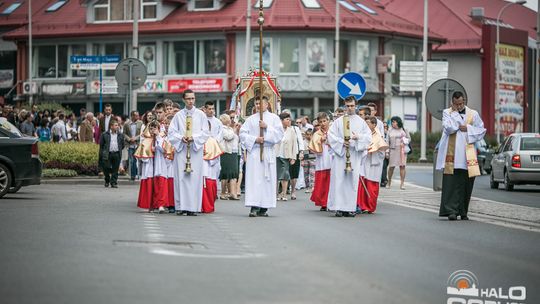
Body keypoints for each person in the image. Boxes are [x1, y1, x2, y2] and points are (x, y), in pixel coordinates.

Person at [436, 92, 486, 221]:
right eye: (456, 104)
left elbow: (481, 130)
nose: (459, 106)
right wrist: (457, 118)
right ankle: (451, 211)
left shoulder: (473, 113)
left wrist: (468, 128)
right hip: (452, 155)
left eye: (461, 103)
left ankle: (463, 211)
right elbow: (448, 128)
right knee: (451, 183)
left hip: (468, 154)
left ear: (464, 101)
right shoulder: (447, 112)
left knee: (466, 183)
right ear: (452, 102)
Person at [240, 96, 284, 217]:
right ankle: (254, 206)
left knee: (266, 180)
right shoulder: (250, 119)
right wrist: (255, 139)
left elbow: (280, 134)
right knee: (255, 179)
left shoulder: (274, 118)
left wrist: (267, 127)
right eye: (257, 103)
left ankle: (264, 207)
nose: (258, 105)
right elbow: (242, 134)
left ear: (267, 104)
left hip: (268, 151)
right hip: (255, 152)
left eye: (261, 103)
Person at [327, 96, 371, 217]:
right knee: (339, 181)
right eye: (348, 106)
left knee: (352, 182)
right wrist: (342, 142)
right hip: (341, 156)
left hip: (354, 155)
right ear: (344, 106)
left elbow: (368, 137)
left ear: (355, 106)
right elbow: (331, 136)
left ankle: (350, 207)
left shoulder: (361, 122)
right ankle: (338, 207)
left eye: (352, 106)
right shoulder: (338, 121)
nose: (350, 108)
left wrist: (358, 139)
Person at [168, 89, 209, 216]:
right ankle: (181, 206)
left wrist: (194, 138)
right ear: (183, 100)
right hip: (182, 150)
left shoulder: (201, 115)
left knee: (194, 179)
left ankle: (193, 207)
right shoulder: (178, 115)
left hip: (195, 151)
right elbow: (171, 132)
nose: (191, 101)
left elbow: (206, 132)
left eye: (193, 98)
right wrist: (181, 137)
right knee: (181, 178)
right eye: (188, 99)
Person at [357, 116, 388, 214]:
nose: (366, 125)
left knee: (371, 186)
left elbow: (382, 153)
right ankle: (362, 205)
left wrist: (371, 152)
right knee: (364, 185)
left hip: (373, 164)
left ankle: (370, 206)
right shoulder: (365, 135)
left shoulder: (378, 137)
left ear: (374, 125)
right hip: (365, 163)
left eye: (368, 123)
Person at [201, 101, 223, 213]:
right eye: (209, 108)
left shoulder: (218, 122)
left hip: (214, 149)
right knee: (204, 178)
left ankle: (212, 199)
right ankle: (204, 203)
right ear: (205, 109)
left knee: (214, 175)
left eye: (213, 109)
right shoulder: (201, 120)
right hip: (203, 149)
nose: (211, 111)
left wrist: (213, 142)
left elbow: (220, 135)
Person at [309, 112, 332, 211]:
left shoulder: (333, 131)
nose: (323, 123)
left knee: (332, 182)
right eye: (321, 122)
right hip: (322, 160)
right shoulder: (316, 134)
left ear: (328, 121)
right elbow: (313, 148)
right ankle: (323, 203)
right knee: (323, 183)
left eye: (324, 121)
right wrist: (320, 141)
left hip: (332, 159)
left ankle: (331, 202)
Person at [276, 112, 298, 201]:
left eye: (289, 119)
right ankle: (276, 194)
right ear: (281, 120)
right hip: (276, 155)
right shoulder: (277, 130)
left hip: (286, 155)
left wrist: (293, 157)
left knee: (285, 175)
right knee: (276, 175)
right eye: (287, 119)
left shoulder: (291, 131)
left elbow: (294, 144)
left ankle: (284, 194)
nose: (289, 121)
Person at [219, 114, 240, 200]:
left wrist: (235, 131)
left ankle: (232, 193)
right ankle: (223, 192)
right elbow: (229, 137)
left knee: (233, 173)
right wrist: (234, 130)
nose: (230, 120)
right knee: (226, 173)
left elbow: (236, 139)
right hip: (227, 152)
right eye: (228, 118)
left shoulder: (230, 129)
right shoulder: (222, 129)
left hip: (233, 152)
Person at [387, 116, 410, 190]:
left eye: (393, 122)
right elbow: (387, 141)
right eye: (392, 122)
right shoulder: (390, 130)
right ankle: (389, 182)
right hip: (393, 150)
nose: (392, 123)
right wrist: (387, 152)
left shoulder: (404, 129)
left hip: (402, 150)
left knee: (402, 166)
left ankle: (402, 183)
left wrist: (404, 142)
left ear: (397, 122)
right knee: (391, 167)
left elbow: (409, 138)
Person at [99, 120, 124, 188]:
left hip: (116, 153)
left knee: (115, 169)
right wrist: (101, 154)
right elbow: (101, 145)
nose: (117, 126)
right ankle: (107, 180)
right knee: (106, 168)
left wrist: (118, 151)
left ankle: (113, 182)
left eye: (117, 125)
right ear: (111, 126)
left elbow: (122, 145)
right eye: (116, 125)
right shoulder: (104, 134)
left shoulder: (120, 134)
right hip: (108, 154)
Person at [124, 111, 143, 181]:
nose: (138, 117)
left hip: (138, 144)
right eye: (136, 116)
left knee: (139, 161)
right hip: (130, 145)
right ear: (132, 116)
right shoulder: (126, 124)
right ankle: (133, 176)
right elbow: (124, 133)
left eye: (138, 115)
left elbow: (142, 133)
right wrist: (129, 139)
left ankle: (139, 175)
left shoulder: (140, 123)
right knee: (132, 161)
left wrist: (136, 138)